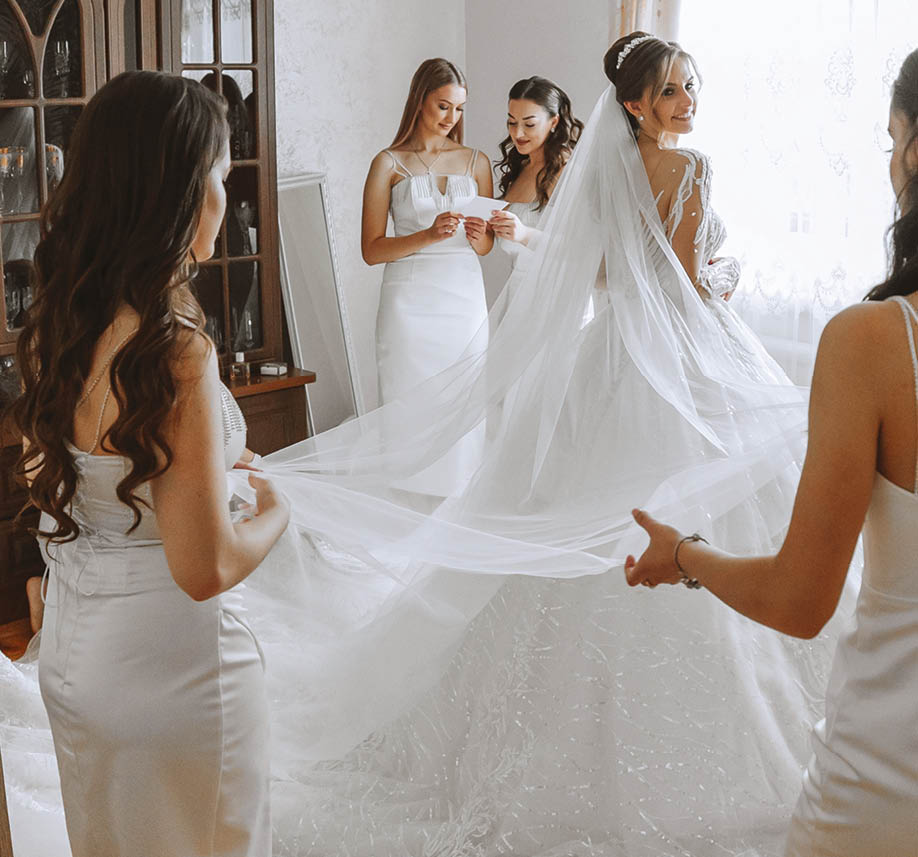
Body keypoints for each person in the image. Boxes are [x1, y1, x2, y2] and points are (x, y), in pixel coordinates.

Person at [625, 47, 918, 857]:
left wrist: (682, 552)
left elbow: (800, 599)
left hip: (888, 770)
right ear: (641, 104)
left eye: (890, 139)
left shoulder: (872, 342)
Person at [9, 70, 289, 857]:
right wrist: (274, 510)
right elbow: (205, 568)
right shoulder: (173, 350)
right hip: (176, 675)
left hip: (79, 663)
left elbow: (68, 482)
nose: (226, 200)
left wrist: (207, 472)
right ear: (174, 189)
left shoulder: (57, 324)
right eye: (219, 178)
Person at [489, 76, 583, 267]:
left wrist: (524, 234)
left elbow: (581, 249)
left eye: (529, 124)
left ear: (553, 122)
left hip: (555, 291)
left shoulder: (567, 171)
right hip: (517, 288)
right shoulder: (521, 168)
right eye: (512, 122)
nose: (517, 134)